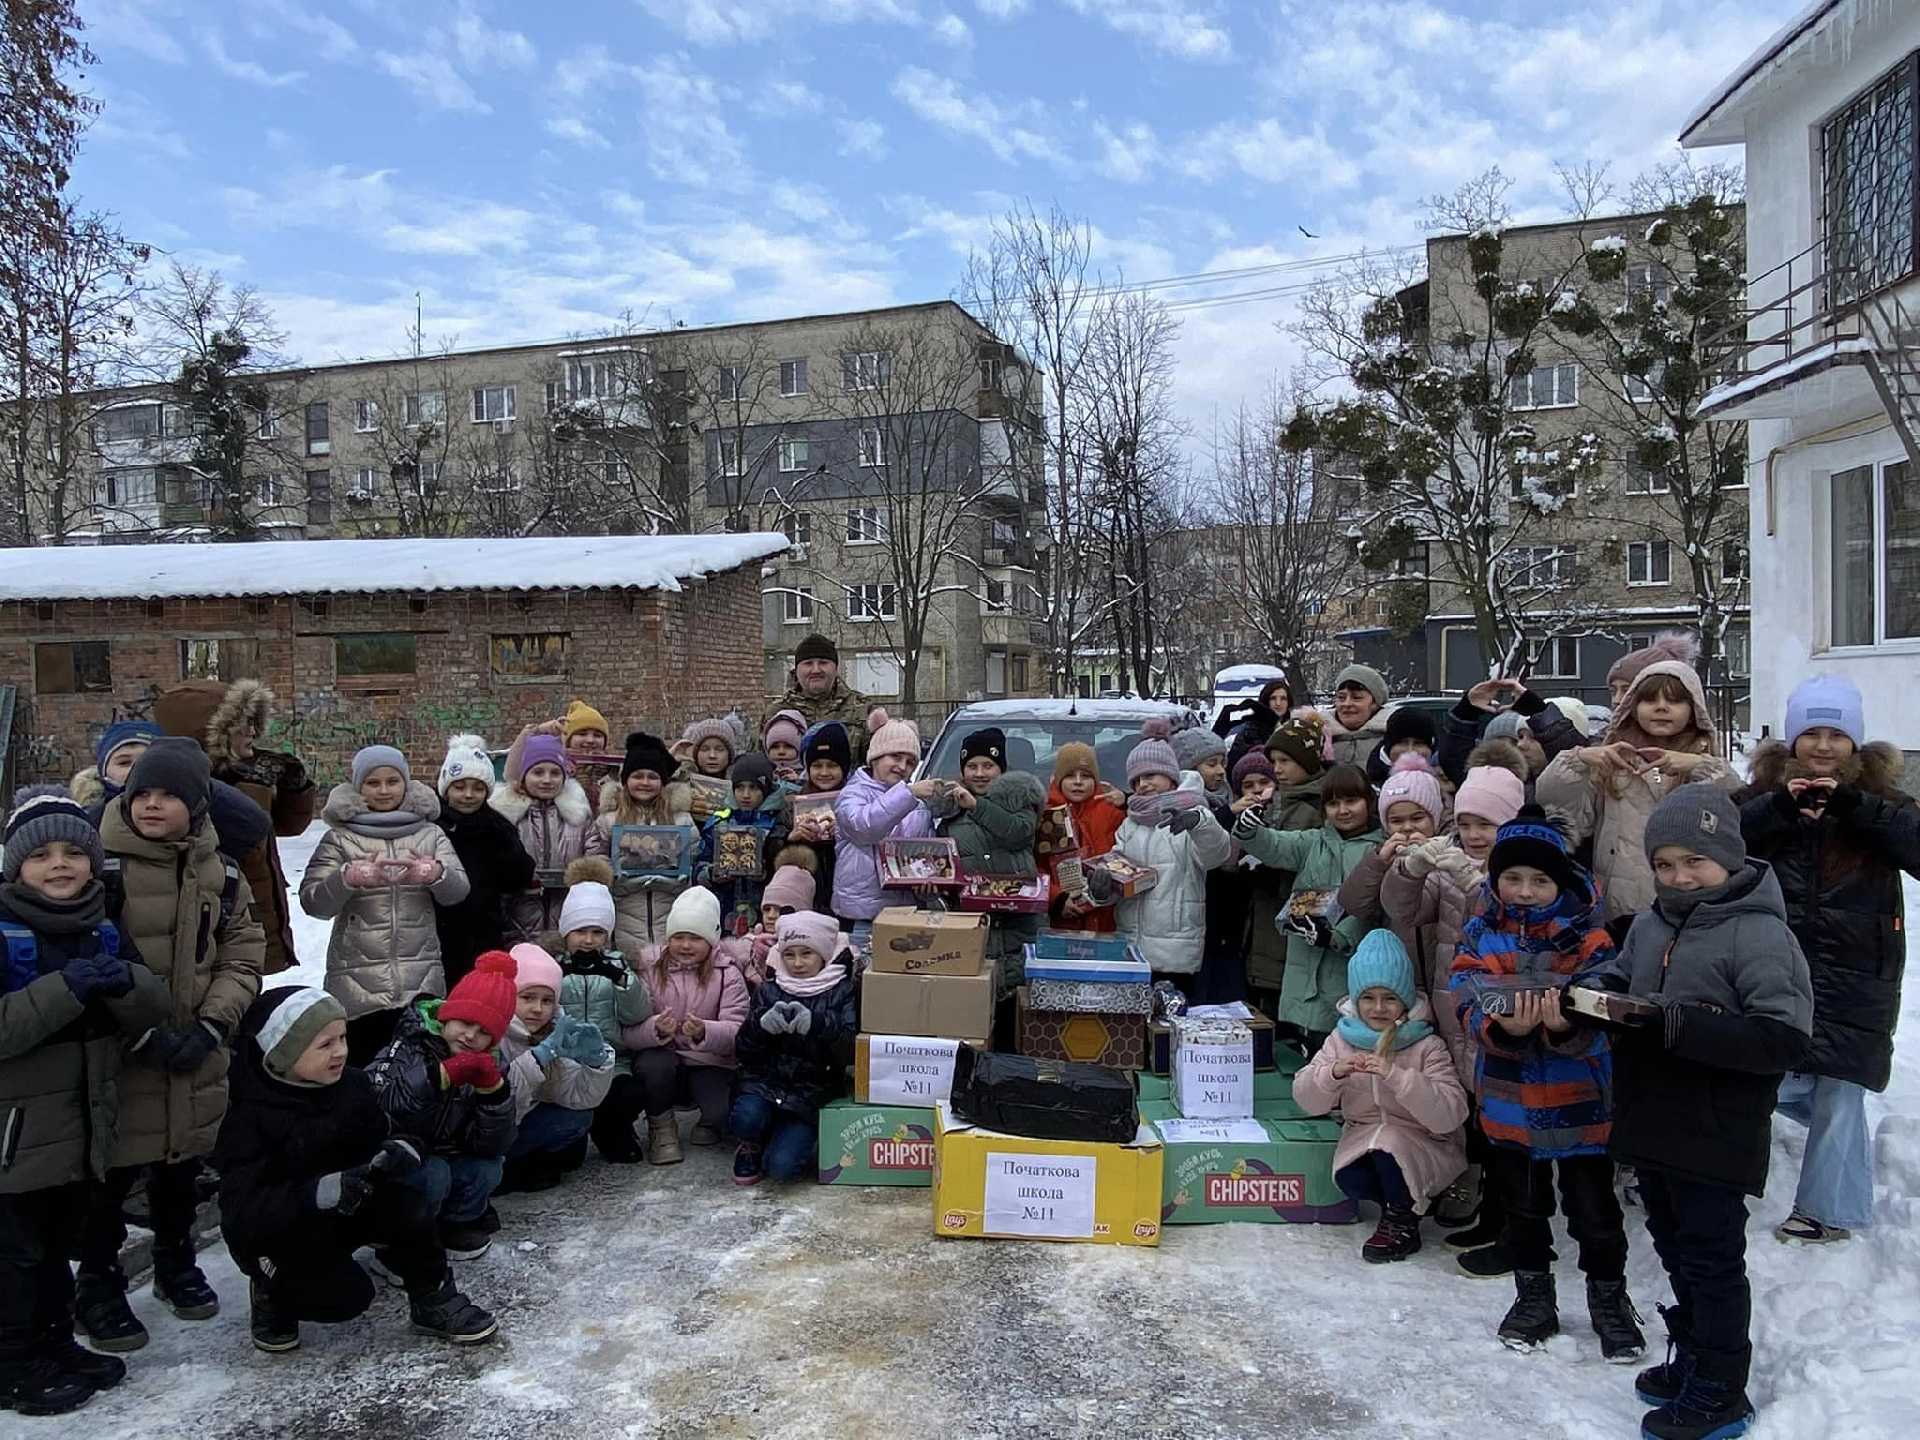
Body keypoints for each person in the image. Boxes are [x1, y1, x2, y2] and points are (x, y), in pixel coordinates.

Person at [1580, 786, 1812, 1440]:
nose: (1680, 876)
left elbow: (1783, 1038)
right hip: (1654, 1116)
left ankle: (1722, 1387)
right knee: (1675, 1244)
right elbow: (1623, 982)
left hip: (1718, 1126)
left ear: (1729, 859)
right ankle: (1694, 1354)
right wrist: (1594, 998)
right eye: (1666, 864)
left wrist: (1679, 1023)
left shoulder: (1762, 933)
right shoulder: (1654, 923)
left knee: (1712, 1257)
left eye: (1695, 862)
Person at [79, 739, 265, 1352]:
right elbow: (85, 953)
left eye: (169, 796)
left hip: (195, 1046)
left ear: (198, 804)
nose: (153, 805)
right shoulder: (97, 865)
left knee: (180, 1162)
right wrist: (142, 1028)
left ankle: (174, 1259)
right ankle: (99, 1283)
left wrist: (213, 1025)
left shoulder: (222, 871)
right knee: (109, 1172)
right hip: (119, 1050)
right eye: (143, 794)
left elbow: (242, 952)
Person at [1449, 808, 1643, 1360]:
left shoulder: (1590, 939)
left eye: (1540, 880)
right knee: (1523, 1210)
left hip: (1581, 1103)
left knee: (1595, 1214)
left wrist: (1568, 1025)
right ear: (1495, 880)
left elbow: (1607, 1002)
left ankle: (1610, 1300)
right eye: (1513, 878)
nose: (1526, 891)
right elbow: (1464, 993)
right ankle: (1534, 1298)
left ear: (1562, 882)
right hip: (1509, 1104)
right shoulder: (1481, 933)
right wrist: (1498, 1027)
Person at [0, 787, 170, 1414]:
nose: (60, 864)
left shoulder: (100, 925)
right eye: (41, 854)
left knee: (50, 1252)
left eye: (74, 851)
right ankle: (12, 1362)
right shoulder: (4, 931)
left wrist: (127, 982)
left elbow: (153, 1009)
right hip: (12, 1137)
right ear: (15, 865)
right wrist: (63, 991)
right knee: (14, 1258)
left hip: (80, 1129)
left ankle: (53, 1341)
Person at [1736, 675, 1919, 1246]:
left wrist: (1856, 807)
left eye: (1835, 734)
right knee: (1761, 1075)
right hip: (1772, 959)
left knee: (1842, 1080)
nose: (1822, 745)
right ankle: (1723, 1177)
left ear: (1855, 743)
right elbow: (1722, 847)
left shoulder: (1885, 800)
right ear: (1790, 741)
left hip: (1859, 964)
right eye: (1810, 733)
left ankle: (1825, 1210)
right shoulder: (1761, 796)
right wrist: (1779, 813)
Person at [214, 988, 498, 1354]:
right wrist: (318, 1192)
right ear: (284, 1051)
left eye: (342, 1038)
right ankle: (271, 1291)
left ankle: (433, 1298)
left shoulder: (350, 1086)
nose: (341, 1052)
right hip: (276, 1235)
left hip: (343, 1209)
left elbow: (388, 1130)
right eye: (324, 1044)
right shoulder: (247, 1118)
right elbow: (241, 1213)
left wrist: (400, 1149)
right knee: (345, 1299)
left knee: (408, 1201)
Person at [1379, 761, 1526, 1270]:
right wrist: (1410, 870)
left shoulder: (1525, 869)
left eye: (1485, 824)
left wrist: (1475, 882)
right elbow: (1403, 911)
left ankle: (1512, 1221)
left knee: (1504, 1122)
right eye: (1464, 823)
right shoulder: (1447, 865)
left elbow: (1514, 917)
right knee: (1472, 1115)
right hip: (1452, 1009)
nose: (1473, 834)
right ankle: (1486, 1207)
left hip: (1504, 1015)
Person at [1293, 931, 1469, 1264]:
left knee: (1389, 1140)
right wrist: (1332, 1074)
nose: (1378, 1008)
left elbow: (1451, 1113)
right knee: (1352, 1175)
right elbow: (1305, 1099)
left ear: (1404, 999)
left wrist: (1398, 1077)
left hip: (1427, 1142)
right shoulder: (1341, 1040)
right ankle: (1403, 1199)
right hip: (1364, 1139)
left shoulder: (1425, 1044)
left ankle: (1402, 1220)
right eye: (1368, 998)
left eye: (1389, 998)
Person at [300, 746, 471, 1067]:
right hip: (356, 985)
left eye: (392, 781)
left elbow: (458, 892)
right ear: (357, 787)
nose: (383, 790)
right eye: (372, 783)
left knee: (418, 1077)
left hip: (420, 981)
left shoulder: (430, 833)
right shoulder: (340, 838)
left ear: (406, 783)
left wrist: (436, 873)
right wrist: (346, 878)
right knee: (363, 1075)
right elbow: (313, 903)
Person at [1537, 657, 1738, 926]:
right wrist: (1578, 760)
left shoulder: (1705, 764)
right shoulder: (1610, 761)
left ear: (1694, 709)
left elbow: (1735, 809)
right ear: (1633, 707)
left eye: (1675, 701)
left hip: (1691, 904)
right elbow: (1561, 811)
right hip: (1621, 908)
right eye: (1650, 700)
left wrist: (1699, 765)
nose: (1662, 708)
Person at [153, 679, 316, 977]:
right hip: (217, 926)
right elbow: (245, 840)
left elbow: (288, 827)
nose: (252, 732)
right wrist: (246, 788)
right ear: (210, 732)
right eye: (242, 725)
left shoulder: (245, 773)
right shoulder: (183, 790)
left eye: (254, 723)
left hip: (257, 912)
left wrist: (295, 785)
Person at [362, 952, 519, 1261]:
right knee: (433, 1173)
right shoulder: (409, 1044)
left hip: (445, 1154)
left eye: (484, 1031)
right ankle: (396, 1243)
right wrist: (438, 1076)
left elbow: (491, 1145)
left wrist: (493, 1096)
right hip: (395, 1158)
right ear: (447, 1015)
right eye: (465, 1022)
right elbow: (377, 1100)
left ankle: (452, 1225)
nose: (471, 1035)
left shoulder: (490, 1065)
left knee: (487, 1167)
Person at [1233, 763, 1380, 1048]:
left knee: (1346, 1049)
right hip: (1304, 969)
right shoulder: (1313, 841)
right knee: (1308, 1055)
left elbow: (1374, 907)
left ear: (1369, 802)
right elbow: (1274, 846)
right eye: (1334, 803)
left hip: (1350, 967)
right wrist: (1250, 831)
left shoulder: (1378, 850)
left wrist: (1338, 935)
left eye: (1352, 801)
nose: (1343, 810)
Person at [731, 911, 857, 1186]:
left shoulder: (842, 989)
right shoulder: (768, 989)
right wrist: (761, 1027)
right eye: (789, 955)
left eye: (806, 954)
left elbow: (850, 1051)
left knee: (782, 1169)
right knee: (745, 1117)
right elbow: (743, 1051)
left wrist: (817, 1024)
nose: (797, 963)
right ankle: (750, 1143)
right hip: (765, 1083)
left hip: (809, 1093)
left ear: (823, 955)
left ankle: (796, 1139)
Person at [623, 887, 748, 1165]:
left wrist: (705, 1031)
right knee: (654, 1067)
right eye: (679, 937)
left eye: (695, 938)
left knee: (721, 1111)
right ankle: (662, 1127)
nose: (686, 945)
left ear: (712, 940)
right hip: (662, 1054)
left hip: (708, 1058)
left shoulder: (728, 973)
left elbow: (738, 1030)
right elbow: (628, 1029)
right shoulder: (649, 967)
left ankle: (709, 1121)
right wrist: (655, 1028)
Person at [543, 860, 654, 1163]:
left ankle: (610, 1128)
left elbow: (638, 1014)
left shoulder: (618, 964)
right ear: (566, 931)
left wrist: (621, 980)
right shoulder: (551, 965)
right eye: (580, 931)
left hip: (610, 1062)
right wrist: (554, 977)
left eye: (597, 932)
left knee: (631, 1091)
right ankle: (573, 1133)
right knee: (567, 1160)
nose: (588, 940)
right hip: (563, 1063)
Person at [1106, 722, 1232, 989]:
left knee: (1167, 1026)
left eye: (1151, 776)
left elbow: (1217, 853)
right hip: (1130, 950)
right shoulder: (1131, 822)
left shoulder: (1194, 812)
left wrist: (1199, 824)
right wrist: (1102, 887)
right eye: (1137, 780)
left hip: (1175, 954)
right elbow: (1117, 871)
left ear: (1172, 777)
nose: (1143, 784)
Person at [932, 727, 1046, 1001]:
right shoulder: (949, 811)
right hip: (973, 930)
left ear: (1001, 768)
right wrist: (932, 888)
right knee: (972, 1008)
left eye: (988, 765)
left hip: (1018, 925)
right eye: (972, 766)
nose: (979, 773)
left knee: (1018, 1010)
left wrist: (976, 806)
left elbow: (1018, 832)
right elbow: (943, 865)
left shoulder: (1019, 797)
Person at [495, 945, 616, 1194]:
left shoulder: (554, 1031)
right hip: (490, 1130)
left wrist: (595, 1062)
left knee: (577, 1124)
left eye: (547, 1000)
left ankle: (522, 1164)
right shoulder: (492, 1034)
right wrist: (537, 1059)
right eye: (527, 997)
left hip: (525, 1122)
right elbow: (498, 1105)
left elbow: (577, 1097)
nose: (538, 1008)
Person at [832, 716, 946, 952]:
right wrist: (909, 793)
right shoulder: (852, 794)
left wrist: (929, 884)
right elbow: (865, 828)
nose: (902, 767)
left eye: (910, 762)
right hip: (865, 919)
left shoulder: (916, 802)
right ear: (875, 757)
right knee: (864, 982)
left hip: (907, 914)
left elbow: (925, 855)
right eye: (895, 757)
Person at [433, 734, 534, 989]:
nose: (468, 795)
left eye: (478, 788)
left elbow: (518, 876)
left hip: (483, 929)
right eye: (459, 787)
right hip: (436, 930)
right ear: (446, 788)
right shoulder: (433, 825)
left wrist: (504, 850)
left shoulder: (497, 826)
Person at [492, 728, 602, 940]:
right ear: (524, 776)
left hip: (568, 920)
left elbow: (595, 855)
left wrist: (581, 879)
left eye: (555, 773)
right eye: (538, 772)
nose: (547, 780)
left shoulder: (579, 817)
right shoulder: (506, 817)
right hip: (518, 922)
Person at [595, 730, 697, 956]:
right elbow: (597, 861)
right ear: (625, 780)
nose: (645, 782)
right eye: (637, 776)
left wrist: (686, 876)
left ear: (663, 782)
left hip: (670, 917)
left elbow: (696, 860)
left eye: (652, 777)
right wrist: (611, 876)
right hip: (624, 918)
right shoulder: (608, 821)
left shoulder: (681, 819)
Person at [698, 752, 791, 932]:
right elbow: (697, 868)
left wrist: (765, 873)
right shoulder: (718, 823)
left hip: (766, 919)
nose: (746, 795)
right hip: (724, 916)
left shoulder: (780, 825)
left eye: (754, 788)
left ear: (766, 789)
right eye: (740, 787)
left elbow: (789, 877)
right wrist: (711, 874)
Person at [1040, 742, 1126, 935]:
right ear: (1057, 779)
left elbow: (1127, 858)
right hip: (1057, 923)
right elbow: (1036, 868)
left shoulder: (1112, 813)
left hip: (1104, 921)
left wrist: (1126, 803)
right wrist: (1056, 899)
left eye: (1086, 776)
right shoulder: (1045, 815)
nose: (1078, 782)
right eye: (1070, 775)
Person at [1436, 679, 1585, 789]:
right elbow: (1455, 760)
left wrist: (1536, 710)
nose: (1520, 745)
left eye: (1533, 737)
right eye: (1520, 736)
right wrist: (1465, 712)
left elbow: (1567, 755)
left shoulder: (1572, 785)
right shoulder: (1507, 786)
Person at [772, 720, 850, 915]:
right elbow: (770, 855)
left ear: (844, 767)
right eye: (817, 766)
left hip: (845, 901)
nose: (824, 772)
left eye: (832, 765)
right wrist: (791, 840)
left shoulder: (855, 802)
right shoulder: (793, 804)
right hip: (802, 903)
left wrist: (845, 831)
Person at [764, 633, 871, 761]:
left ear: (836, 668)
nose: (816, 670)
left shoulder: (862, 709)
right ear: (796, 670)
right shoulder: (776, 712)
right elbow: (758, 766)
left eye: (823, 663)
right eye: (808, 663)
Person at [1325, 664, 1392, 770]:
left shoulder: (1391, 739)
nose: (1347, 704)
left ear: (1375, 703)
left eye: (1357, 698)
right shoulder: (1318, 736)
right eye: (1341, 697)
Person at [676, 717, 741, 827]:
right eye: (705, 749)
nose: (712, 756)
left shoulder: (741, 784)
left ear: (729, 754)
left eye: (719, 749)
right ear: (695, 753)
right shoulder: (680, 781)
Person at [1364, 704, 1438, 787]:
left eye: (1418, 743)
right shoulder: (1367, 788)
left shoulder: (1446, 784)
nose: (1410, 750)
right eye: (1402, 743)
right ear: (1388, 747)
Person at [762, 709, 808, 783]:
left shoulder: (813, 775)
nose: (781, 752)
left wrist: (799, 782)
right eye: (775, 747)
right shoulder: (760, 774)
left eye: (788, 746)